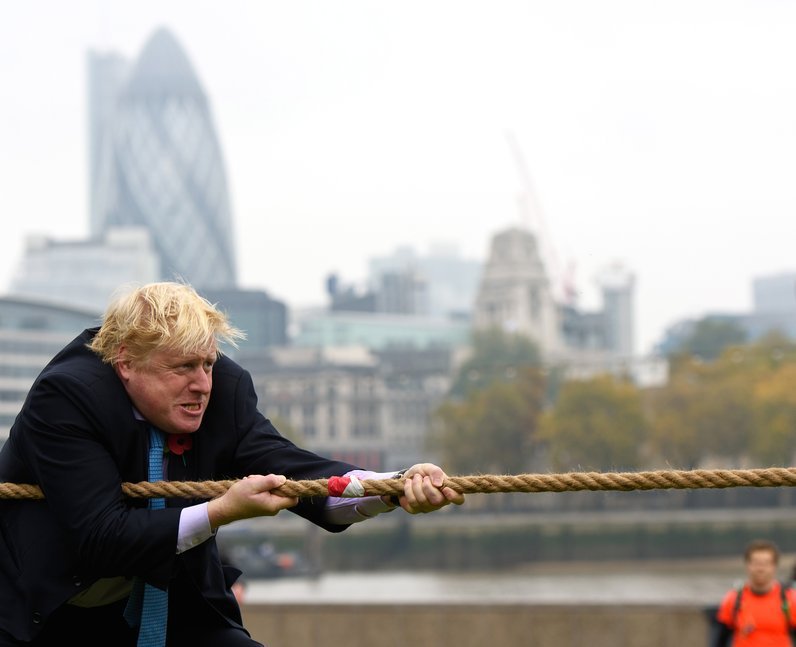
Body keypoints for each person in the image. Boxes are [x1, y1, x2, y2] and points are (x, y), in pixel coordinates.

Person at [0, 281, 465, 646]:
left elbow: (296, 471)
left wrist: (390, 488)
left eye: (207, 363)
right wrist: (222, 510)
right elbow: (101, 538)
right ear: (126, 362)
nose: (202, 384)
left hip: (177, 603)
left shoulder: (226, 388)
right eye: (183, 367)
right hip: (53, 610)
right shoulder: (66, 397)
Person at [712, 539, 796, 647]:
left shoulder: (790, 599)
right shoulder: (733, 600)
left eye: (766, 563)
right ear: (748, 565)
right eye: (756, 563)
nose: (760, 569)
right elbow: (720, 639)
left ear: (774, 566)